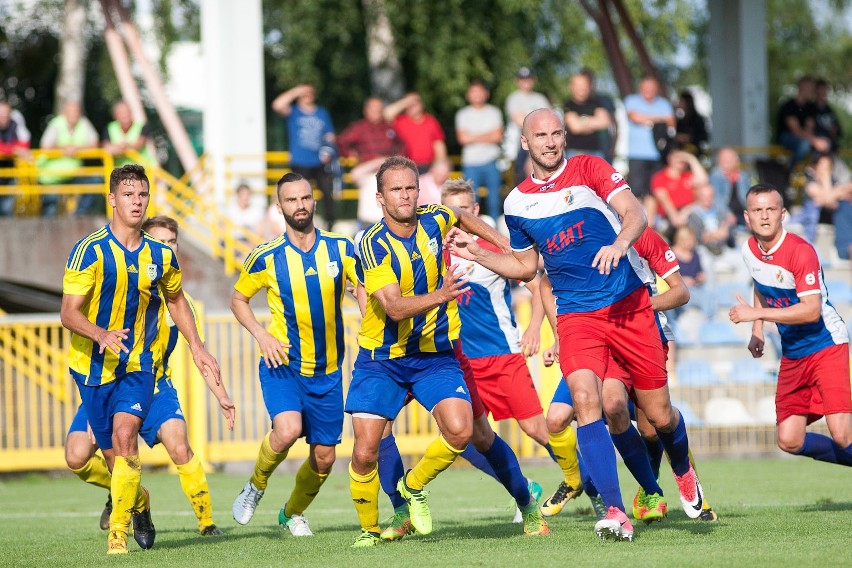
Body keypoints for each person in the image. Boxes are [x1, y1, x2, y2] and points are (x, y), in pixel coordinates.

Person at [445, 109, 706, 542]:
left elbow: (634, 213)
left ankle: (681, 468)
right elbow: (526, 265)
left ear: (564, 137)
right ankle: (616, 512)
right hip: (577, 315)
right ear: (524, 142)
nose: (549, 142)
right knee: (587, 402)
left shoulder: (591, 169)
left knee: (658, 415)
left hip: (628, 307)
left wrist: (620, 244)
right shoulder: (516, 203)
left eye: (555, 134)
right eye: (539, 135)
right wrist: (479, 255)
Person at [346, 156, 547, 547]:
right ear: (379, 198)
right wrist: (441, 295)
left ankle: (422, 489)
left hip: (435, 354)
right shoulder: (371, 243)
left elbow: (460, 215)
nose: (404, 196)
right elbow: (392, 306)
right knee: (367, 446)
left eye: (410, 188)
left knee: (468, 431)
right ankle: (378, 528)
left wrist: (503, 243)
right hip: (383, 359)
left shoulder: (434, 217)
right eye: (395, 190)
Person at [60, 164, 222, 555]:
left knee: (125, 437)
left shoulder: (161, 255)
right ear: (112, 200)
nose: (137, 202)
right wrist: (100, 334)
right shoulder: (89, 250)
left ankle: (118, 535)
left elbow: (177, 300)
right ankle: (141, 502)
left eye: (143, 195)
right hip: (93, 368)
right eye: (129, 195)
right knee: (107, 460)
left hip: (138, 367)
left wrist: (198, 346)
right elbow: (68, 313)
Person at [440, 178, 583, 517]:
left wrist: (535, 327)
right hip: (460, 362)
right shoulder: (436, 252)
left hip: (501, 356)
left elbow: (537, 284)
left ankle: (588, 484)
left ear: (474, 211)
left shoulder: (494, 250)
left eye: (462, 210)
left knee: (537, 428)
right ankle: (524, 485)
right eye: (449, 211)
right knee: (465, 439)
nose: (456, 216)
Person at [230, 172, 359, 537]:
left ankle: (292, 512)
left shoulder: (341, 247)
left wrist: (365, 308)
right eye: (291, 200)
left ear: (314, 202)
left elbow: (361, 286)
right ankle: (255, 486)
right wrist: (260, 335)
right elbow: (238, 299)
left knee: (325, 458)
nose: (299, 205)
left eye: (305, 198)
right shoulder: (266, 256)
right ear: (279, 207)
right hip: (282, 364)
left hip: (329, 370)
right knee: (287, 430)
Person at [729, 183, 852, 471]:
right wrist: (757, 329)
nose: (764, 216)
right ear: (747, 217)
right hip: (794, 354)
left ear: (782, 213)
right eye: (757, 210)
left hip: (826, 346)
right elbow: (761, 285)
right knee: (789, 439)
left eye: (771, 209)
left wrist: (756, 314)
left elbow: (810, 312)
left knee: (843, 435)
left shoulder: (801, 252)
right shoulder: (749, 250)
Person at [271, 84, 337, 228]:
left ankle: (329, 224)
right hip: (300, 161)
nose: (308, 95)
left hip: (319, 161)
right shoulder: (294, 112)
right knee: (300, 193)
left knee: (327, 193)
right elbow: (277, 105)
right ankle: (301, 221)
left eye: (310, 92)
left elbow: (330, 135)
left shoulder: (321, 113)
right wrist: (296, 90)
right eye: (304, 93)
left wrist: (328, 150)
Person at [337, 97, 405, 225]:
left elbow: (401, 145)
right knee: (373, 183)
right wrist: (350, 154)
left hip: (388, 169)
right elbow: (341, 142)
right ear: (366, 111)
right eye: (374, 109)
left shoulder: (388, 128)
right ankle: (370, 224)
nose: (377, 112)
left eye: (379, 109)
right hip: (367, 169)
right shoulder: (359, 128)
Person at [625, 75, 675, 217]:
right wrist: (659, 118)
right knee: (637, 191)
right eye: (646, 87)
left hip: (657, 155)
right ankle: (637, 222)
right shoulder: (632, 100)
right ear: (641, 88)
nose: (649, 91)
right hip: (637, 155)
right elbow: (634, 117)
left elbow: (671, 122)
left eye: (652, 88)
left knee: (654, 191)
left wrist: (647, 118)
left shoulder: (663, 103)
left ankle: (650, 225)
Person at [38, 101, 100, 216]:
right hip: (52, 175)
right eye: (71, 112)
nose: (74, 115)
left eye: (76, 112)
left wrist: (77, 148)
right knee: (49, 210)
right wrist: (64, 149)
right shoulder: (56, 124)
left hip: (73, 173)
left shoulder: (83, 123)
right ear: (64, 113)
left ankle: (80, 215)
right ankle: (47, 229)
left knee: (95, 180)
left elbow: (95, 144)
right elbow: (45, 146)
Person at [455, 81, 504, 221]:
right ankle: (473, 228)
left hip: (491, 161)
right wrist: (487, 135)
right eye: (473, 91)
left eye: (479, 91)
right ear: (468, 95)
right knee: (470, 200)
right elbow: (463, 138)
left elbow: (498, 136)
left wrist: (473, 136)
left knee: (494, 200)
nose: (476, 95)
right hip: (471, 163)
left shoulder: (494, 112)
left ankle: (494, 229)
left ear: (486, 94)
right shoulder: (462, 114)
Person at [505, 67, 550, 186]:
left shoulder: (540, 98)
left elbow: (549, 119)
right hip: (522, 144)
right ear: (517, 81)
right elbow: (520, 121)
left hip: (541, 142)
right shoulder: (514, 98)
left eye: (528, 79)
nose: (526, 82)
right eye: (523, 79)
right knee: (522, 180)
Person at [383, 92, 447, 172]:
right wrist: (406, 101)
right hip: (406, 167)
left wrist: (439, 165)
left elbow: (439, 145)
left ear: (421, 104)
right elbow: (386, 114)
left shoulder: (431, 121)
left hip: (428, 167)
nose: (412, 105)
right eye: (409, 103)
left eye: (415, 102)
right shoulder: (400, 121)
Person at [775, 76, 829, 169]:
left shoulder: (810, 108)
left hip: (805, 139)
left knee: (824, 144)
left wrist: (818, 141)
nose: (812, 91)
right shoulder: (789, 105)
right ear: (802, 87)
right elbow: (796, 130)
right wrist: (815, 141)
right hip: (786, 138)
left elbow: (810, 128)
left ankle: (816, 173)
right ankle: (791, 171)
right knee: (804, 145)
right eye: (810, 88)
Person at [650, 148, 709, 232]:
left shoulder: (687, 176)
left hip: (688, 212)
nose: (680, 160)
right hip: (668, 214)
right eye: (677, 157)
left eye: (682, 158)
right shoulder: (660, 177)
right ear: (670, 158)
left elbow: (703, 181)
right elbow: (663, 199)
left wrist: (691, 159)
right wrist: (674, 216)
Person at [563, 71, 611, 160]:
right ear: (571, 87)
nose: (581, 88)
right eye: (578, 85)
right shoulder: (568, 104)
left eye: (584, 85)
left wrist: (582, 121)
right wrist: (594, 122)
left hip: (596, 152)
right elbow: (575, 127)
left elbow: (605, 122)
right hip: (575, 152)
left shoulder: (597, 103)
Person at [687, 182, 734, 255]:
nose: (708, 199)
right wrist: (718, 234)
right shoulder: (693, 215)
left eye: (710, 196)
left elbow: (726, 233)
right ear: (698, 196)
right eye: (704, 196)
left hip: (723, 248)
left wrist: (710, 235)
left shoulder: (720, 211)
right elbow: (701, 237)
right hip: (703, 250)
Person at [709, 147, 751, 228]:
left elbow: (749, 198)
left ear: (736, 161)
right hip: (723, 215)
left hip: (742, 214)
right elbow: (716, 201)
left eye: (730, 159)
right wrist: (728, 213)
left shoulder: (743, 176)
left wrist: (750, 215)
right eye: (724, 159)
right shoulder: (715, 176)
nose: (727, 162)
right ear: (718, 161)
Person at [102, 101, 153, 168]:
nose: (124, 115)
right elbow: (107, 148)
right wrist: (124, 147)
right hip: (121, 172)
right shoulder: (110, 127)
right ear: (115, 115)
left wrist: (117, 149)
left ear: (131, 113)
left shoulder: (142, 126)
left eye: (126, 112)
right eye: (121, 113)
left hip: (144, 171)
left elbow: (137, 146)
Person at [0, 101, 29, 216]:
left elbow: (25, 143)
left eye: (6, 115)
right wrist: (13, 150)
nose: (3, 118)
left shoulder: (16, 120)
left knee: (7, 209)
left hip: (9, 172)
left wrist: (9, 149)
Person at [674, 90, 709, 157]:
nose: (679, 103)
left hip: (693, 151)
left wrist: (689, 138)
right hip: (680, 151)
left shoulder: (697, 119)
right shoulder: (680, 119)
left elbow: (704, 136)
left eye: (681, 101)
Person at [813, 79, 842, 153]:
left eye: (825, 89)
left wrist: (835, 130)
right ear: (816, 91)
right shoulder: (810, 109)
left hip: (830, 145)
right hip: (815, 146)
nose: (824, 92)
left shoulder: (829, 110)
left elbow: (839, 129)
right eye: (821, 89)